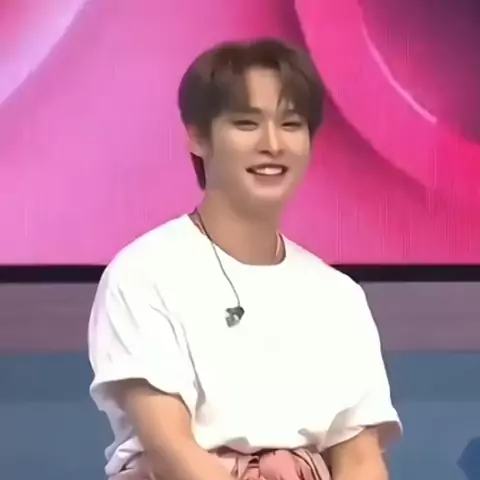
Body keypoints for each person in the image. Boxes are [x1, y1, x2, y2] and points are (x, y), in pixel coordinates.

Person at [88, 38, 401, 480]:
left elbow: (361, 458)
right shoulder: (144, 274)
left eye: (291, 124)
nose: (273, 144)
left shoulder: (339, 295)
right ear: (198, 137)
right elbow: (170, 449)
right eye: (246, 123)